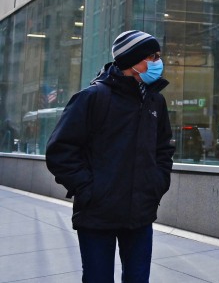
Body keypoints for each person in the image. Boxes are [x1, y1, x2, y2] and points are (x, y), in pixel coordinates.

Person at [46, 30, 174, 282]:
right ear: (132, 60)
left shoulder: (155, 101)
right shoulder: (92, 98)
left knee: (138, 279)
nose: (158, 61)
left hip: (140, 213)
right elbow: (60, 151)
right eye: (152, 56)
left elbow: (163, 149)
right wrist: (88, 189)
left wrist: (156, 184)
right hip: (97, 214)